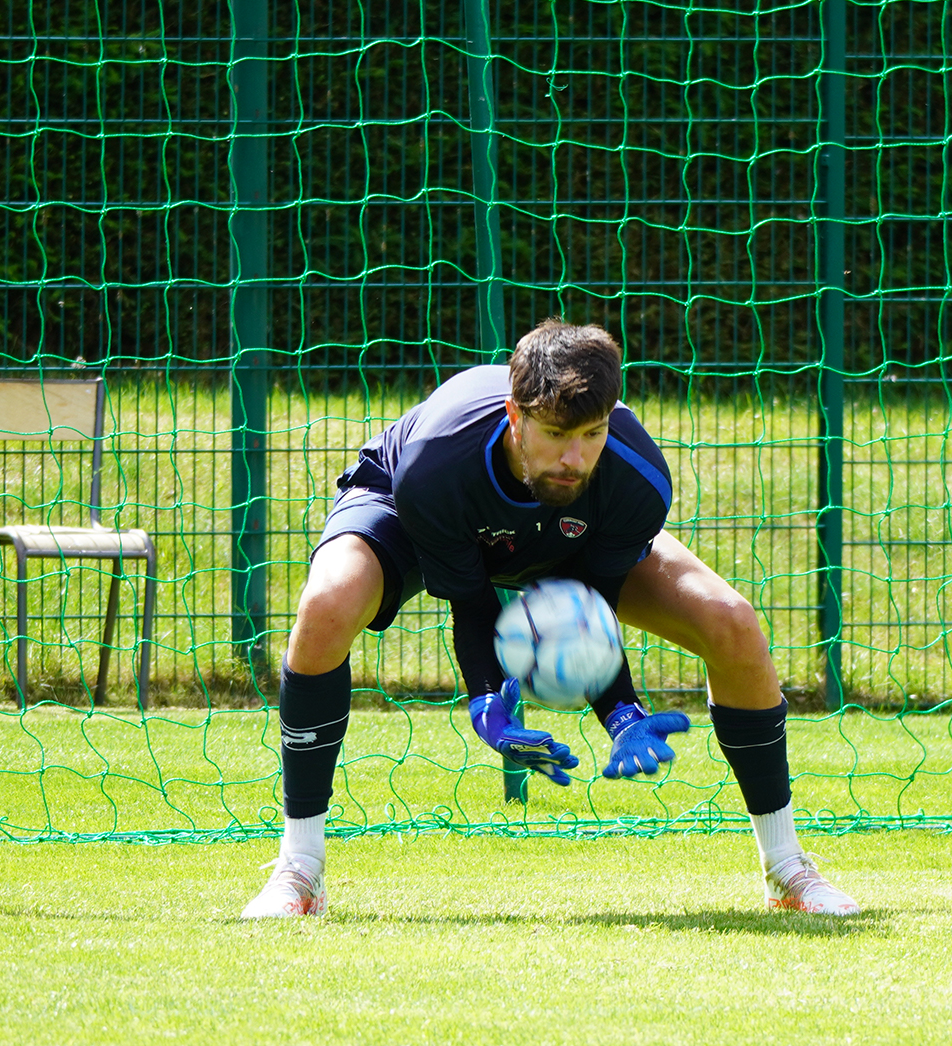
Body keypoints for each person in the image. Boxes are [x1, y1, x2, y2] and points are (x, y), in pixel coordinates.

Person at [241, 320, 860, 919]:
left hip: (561, 539)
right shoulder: (436, 464)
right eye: (557, 433)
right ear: (516, 416)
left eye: (593, 433)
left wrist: (623, 715)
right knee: (326, 605)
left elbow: (587, 607)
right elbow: (473, 602)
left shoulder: (635, 478)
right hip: (405, 508)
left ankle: (787, 866)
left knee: (733, 622)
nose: (574, 456)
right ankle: (300, 867)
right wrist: (487, 703)